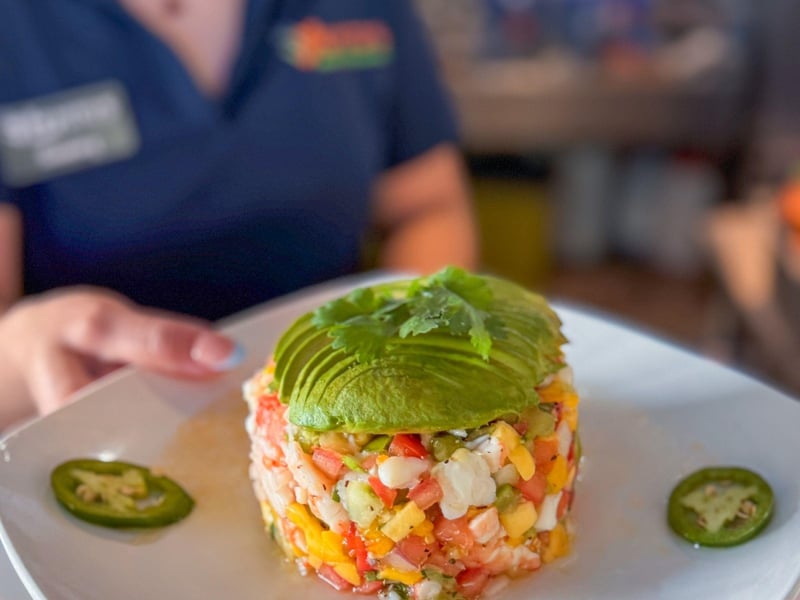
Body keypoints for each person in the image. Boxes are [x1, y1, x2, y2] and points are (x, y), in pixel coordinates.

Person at [0, 0, 478, 429]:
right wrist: (26, 350)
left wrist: (412, 342)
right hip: (103, 431)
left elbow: (426, 208)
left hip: (339, 407)